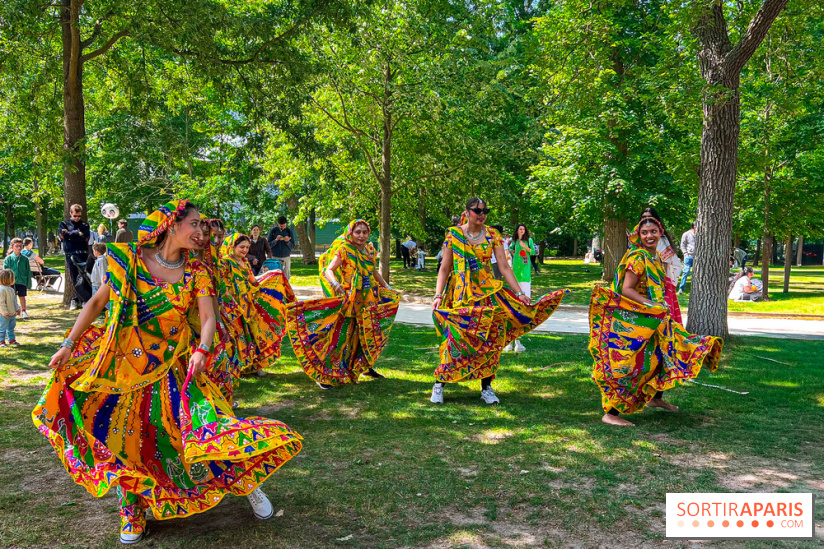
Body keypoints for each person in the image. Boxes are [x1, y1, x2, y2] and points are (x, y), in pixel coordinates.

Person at [32, 200, 303, 544]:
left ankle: (249, 485)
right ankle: (132, 509)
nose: (201, 231)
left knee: (209, 428)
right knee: (129, 440)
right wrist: (69, 344)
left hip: (178, 368)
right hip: (125, 368)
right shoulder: (130, 260)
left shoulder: (198, 271)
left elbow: (208, 318)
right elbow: (97, 303)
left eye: (204, 226)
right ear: (171, 225)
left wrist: (203, 349)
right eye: (194, 224)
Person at [589, 217, 723, 427]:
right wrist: (650, 305)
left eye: (653, 231)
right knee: (633, 364)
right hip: (640, 318)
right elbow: (626, 289)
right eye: (644, 232)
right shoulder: (638, 258)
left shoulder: (657, 257)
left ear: (661, 233)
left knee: (661, 356)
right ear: (639, 235)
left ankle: (656, 398)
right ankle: (611, 412)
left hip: (657, 316)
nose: (649, 235)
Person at [430, 198, 566, 405]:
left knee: (489, 341)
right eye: (477, 210)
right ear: (466, 212)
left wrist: (519, 293)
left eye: (485, 211)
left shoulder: (493, 235)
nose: (481, 214)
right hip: (460, 295)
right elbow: (445, 268)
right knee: (454, 339)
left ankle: (486, 387)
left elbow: (504, 267)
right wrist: (438, 295)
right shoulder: (454, 235)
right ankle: (440, 383)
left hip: (487, 294)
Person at [286, 219, 400, 389]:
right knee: (340, 336)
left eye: (364, 232)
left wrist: (388, 287)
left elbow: (373, 271)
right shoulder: (345, 249)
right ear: (351, 233)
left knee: (365, 335)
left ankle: (364, 367)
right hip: (349, 300)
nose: (361, 235)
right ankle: (324, 374)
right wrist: (336, 285)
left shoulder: (369, 249)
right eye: (358, 232)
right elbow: (328, 270)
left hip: (367, 299)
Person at [218, 233, 294, 378]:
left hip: (247, 304)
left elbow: (253, 281)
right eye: (242, 247)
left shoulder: (245, 262)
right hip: (232, 306)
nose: (245, 250)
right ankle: (235, 368)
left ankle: (255, 365)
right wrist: (231, 302)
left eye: (247, 247)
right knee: (237, 336)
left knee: (253, 334)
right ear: (232, 246)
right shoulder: (225, 263)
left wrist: (271, 278)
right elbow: (222, 286)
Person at [639, 208, 684, 324]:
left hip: (659, 287)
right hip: (641, 290)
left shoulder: (661, 241)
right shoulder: (637, 246)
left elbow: (663, 264)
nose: (646, 219)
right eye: (643, 218)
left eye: (649, 217)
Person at [506, 224, 536, 352]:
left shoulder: (528, 240)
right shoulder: (513, 242)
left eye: (523, 229)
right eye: (520, 229)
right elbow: (510, 251)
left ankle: (518, 340)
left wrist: (526, 248)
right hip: (515, 274)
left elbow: (533, 252)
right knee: (514, 304)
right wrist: (512, 253)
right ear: (517, 230)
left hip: (525, 274)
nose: (522, 230)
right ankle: (512, 342)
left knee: (524, 304)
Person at [59, 204, 91, 309]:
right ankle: (75, 299)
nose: (77, 218)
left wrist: (71, 235)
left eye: (79, 216)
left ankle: (82, 299)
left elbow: (85, 237)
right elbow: (64, 236)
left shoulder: (85, 225)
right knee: (74, 277)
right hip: (71, 253)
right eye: (75, 216)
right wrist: (78, 233)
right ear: (71, 214)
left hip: (83, 253)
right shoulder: (64, 224)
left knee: (84, 276)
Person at [4, 238, 31, 319]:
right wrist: (6, 282)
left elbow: (28, 271)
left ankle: (23, 311)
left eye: (20, 246)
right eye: (16, 246)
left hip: (22, 281)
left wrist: (28, 283)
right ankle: (12, 311)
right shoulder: (8, 259)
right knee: (10, 297)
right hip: (10, 282)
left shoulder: (25, 259)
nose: (19, 248)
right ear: (12, 247)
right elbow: (5, 271)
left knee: (22, 296)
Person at [0, 269, 20, 347]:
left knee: (11, 327)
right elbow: (1, 303)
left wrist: (17, 308)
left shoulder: (11, 289)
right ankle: (1, 341)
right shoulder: (2, 290)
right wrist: (4, 312)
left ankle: (11, 339)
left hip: (12, 313)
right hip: (3, 314)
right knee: (2, 328)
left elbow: (14, 300)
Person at [89, 243, 109, 309]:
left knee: (102, 301)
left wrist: (103, 283)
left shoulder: (101, 260)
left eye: (94, 251)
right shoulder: (99, 260)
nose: (93, 252)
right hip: (95, 284)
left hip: (98, 285)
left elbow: (102, 272)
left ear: (97, 251)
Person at [678, 222, 696, 294]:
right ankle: (681, 289)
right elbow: (682, 245)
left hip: (698, 257)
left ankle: (695, 289)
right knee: (686, 271)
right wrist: (685, 253)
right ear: (694, 227)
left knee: (697, 273)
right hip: (689, 256)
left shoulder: (701, 235)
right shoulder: (686, 234)